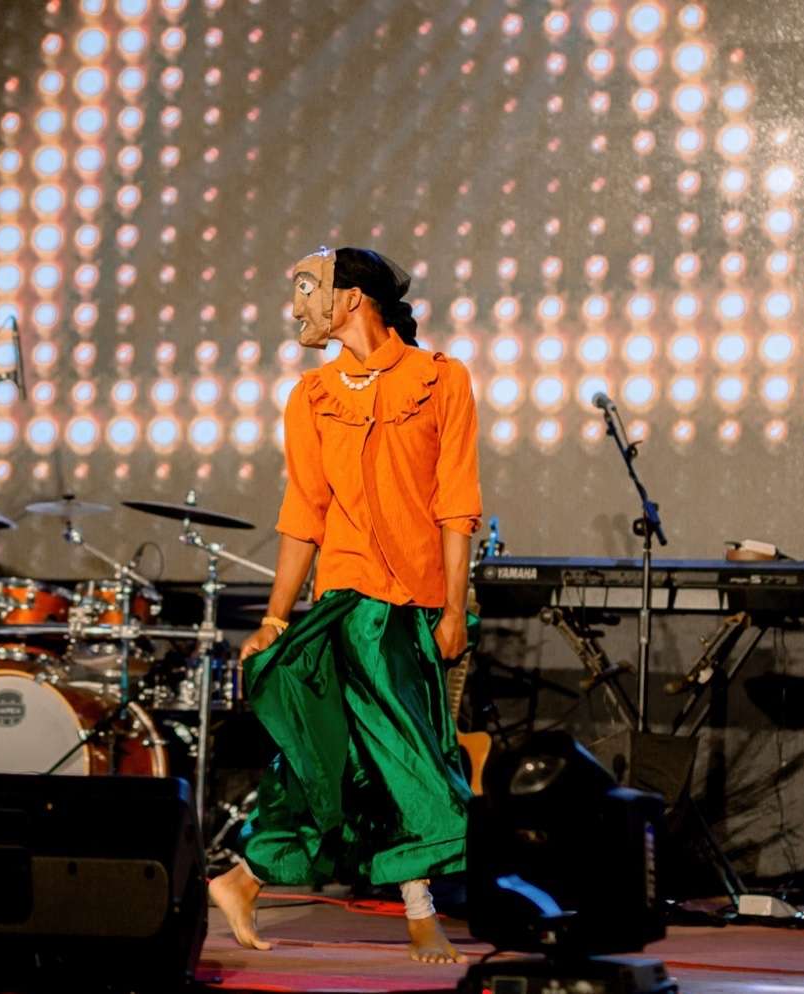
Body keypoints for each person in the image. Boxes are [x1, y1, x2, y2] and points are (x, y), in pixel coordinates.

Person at [207, 247, 481, 964]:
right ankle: (419, 911)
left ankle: (246, 876)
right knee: (407, 751)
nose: (298, 305)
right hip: (350, 604)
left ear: (352, 297)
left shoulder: (440, 379)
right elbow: (305, 512)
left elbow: (457, 503)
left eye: (308, 288)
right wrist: (275, 618)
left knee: (347, 757)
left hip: (417, 602)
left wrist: (454, 609)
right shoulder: (312, 396)